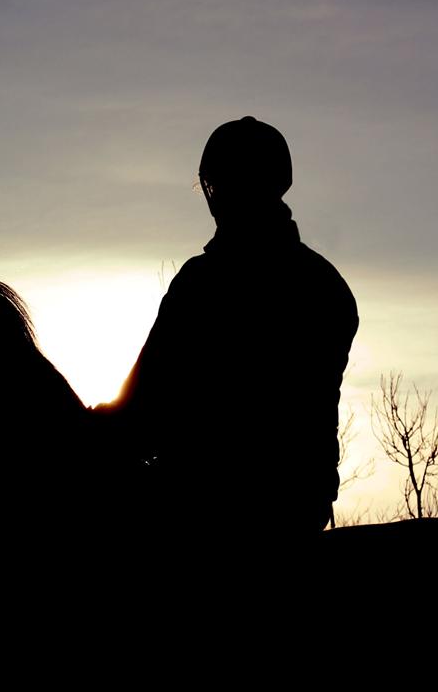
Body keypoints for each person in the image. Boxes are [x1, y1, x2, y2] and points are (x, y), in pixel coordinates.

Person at [99, 117, 358, 558]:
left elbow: (142, 413)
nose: (215, 198)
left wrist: (91, 433)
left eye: (217, 185)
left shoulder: (204, 282)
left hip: (202, 510)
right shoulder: (326, 284)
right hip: (298, 508)